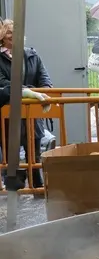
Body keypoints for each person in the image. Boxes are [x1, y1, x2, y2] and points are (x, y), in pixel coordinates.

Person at [0, 19, 52, 187]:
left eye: (17, 33)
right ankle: (13, 188)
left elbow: (45, 80)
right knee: (10, 153)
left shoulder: (32, 55)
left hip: (32, 115)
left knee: (34, 152)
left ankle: (37, 185)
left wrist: (43, 92)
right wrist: (31, 91)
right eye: (9, 33)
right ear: (2, 36)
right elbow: (4, 84)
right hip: (8, 115)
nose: (13, 36)